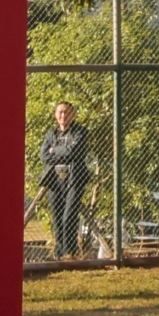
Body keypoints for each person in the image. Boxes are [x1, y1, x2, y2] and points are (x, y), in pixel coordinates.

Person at [38, 103, 92, 259]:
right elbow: (43, 156)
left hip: (74, 179)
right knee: (56, 217)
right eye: (60, 112)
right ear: (55, 114)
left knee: (69, 216)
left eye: (67, 112)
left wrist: (54, 150)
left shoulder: (80, 131)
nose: (63, 116)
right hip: (54, 181)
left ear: (73, 114)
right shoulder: (51, 133)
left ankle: (70, 253)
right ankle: (59, 254)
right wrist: (63, 152)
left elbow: (75, 151)